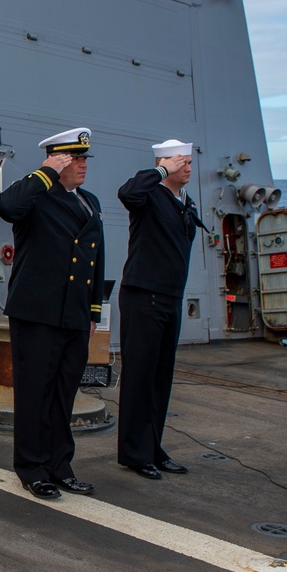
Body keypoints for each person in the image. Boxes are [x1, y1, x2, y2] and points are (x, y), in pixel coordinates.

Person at [0, 128, 104, 499]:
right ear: (57, 161)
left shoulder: (89, 202)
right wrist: (43, 173)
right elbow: (6, 207)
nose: (82, 165)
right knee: (34, 393)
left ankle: (60, 466)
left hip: (74, 313)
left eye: (84, 158)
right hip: (37, 312)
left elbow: (96, 258)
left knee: (64, 393)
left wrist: (93, 309)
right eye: (74, 159)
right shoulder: (36, 194)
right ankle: (31, 468)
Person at [116, 139, 206, 479]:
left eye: (189, 163)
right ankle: (134, 453)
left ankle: (153, 446)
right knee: (140, 376)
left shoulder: (185, 201)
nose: (188, 168)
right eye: (180, 162)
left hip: (170, 296)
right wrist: (161, 170)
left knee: (160, 377)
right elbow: (128, 193)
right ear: (164, 164)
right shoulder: (149, 193)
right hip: (144, 296)